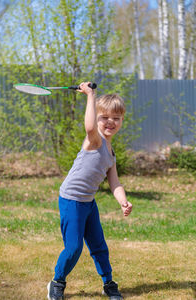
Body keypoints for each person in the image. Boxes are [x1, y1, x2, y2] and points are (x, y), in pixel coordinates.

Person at [47, 82, 133, 300]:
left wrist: (123, 201)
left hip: (88, 202)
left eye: (116, 118)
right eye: (105, 117)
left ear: (122, 121)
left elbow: (115, 183)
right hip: (71, 200)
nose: (110, 122)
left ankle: (108, 283)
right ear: (96, 118)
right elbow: (89, 127)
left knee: (99, 246)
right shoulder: (94, 140)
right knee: (74, 247)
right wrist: (90, 96)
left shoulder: (111, 153)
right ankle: (57, 282)